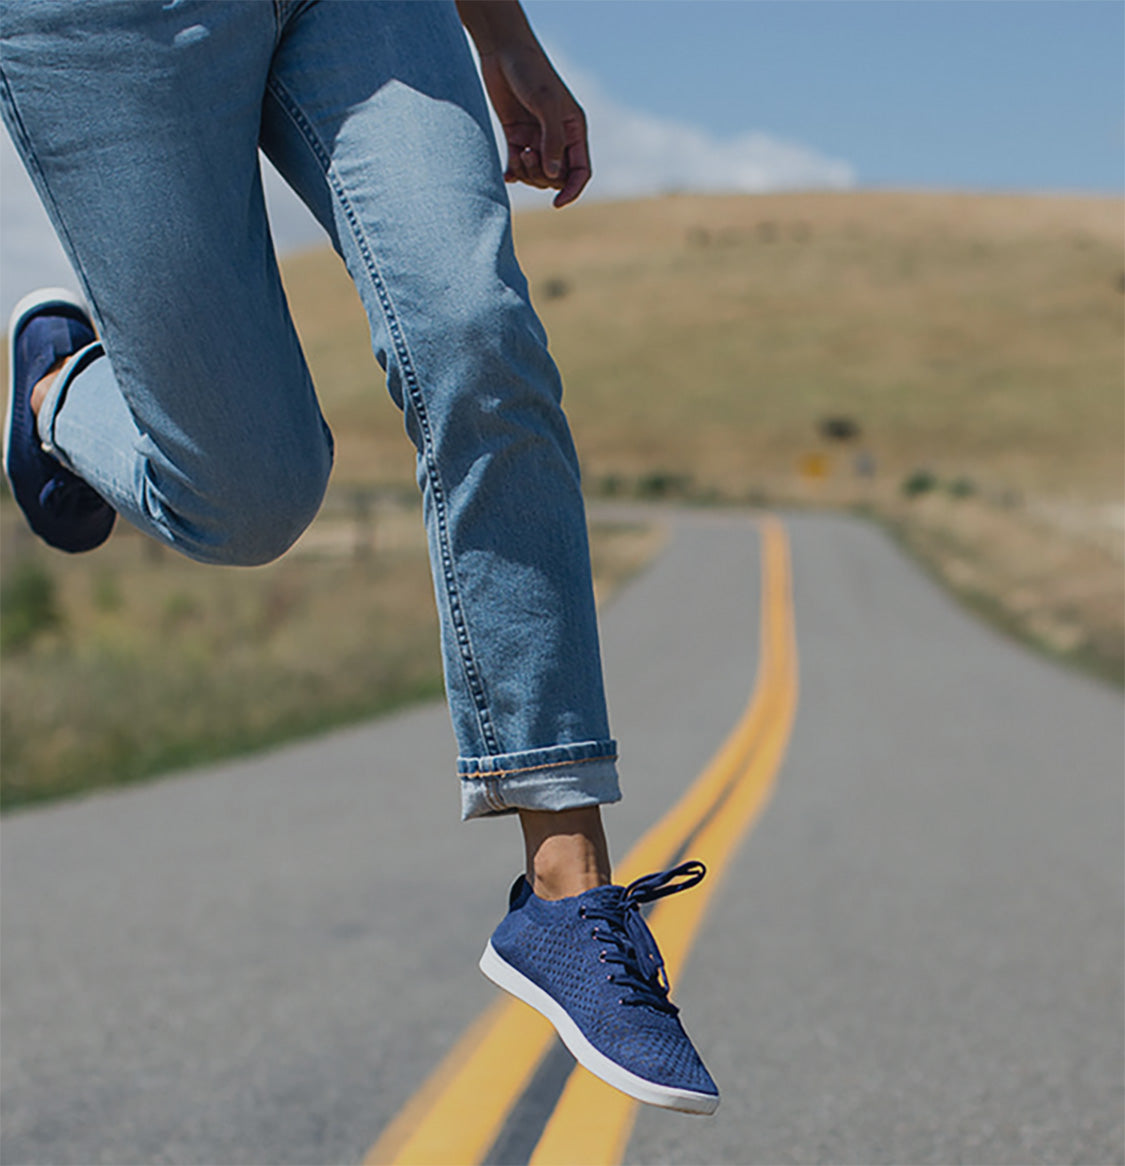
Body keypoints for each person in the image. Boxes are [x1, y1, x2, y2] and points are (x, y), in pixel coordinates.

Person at [1, 0, 718, 1114]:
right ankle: (59, 393)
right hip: (104, 31)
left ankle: (568, 887)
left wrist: (505, 33)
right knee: (250, 498)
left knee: (478, 332)